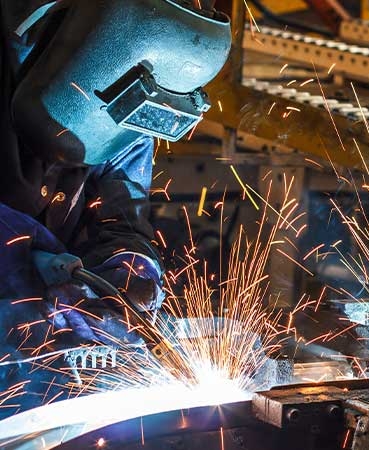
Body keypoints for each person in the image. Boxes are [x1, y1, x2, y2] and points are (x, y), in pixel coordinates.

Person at [0, 0, 230, 418]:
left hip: (34, 364)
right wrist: (27, 265)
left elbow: (122, 206)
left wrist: (128, 265)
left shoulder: (133, 80)